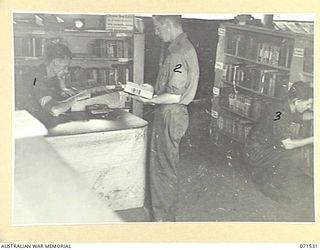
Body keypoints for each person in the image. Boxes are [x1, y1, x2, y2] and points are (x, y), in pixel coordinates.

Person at [135, 15, 199, 221]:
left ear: (168, 24)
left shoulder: (178, 54)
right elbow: (170, 86)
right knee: (164, 165)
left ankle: (163, 219)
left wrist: (150, 100)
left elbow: (174, 95)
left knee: (163, 168)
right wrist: (151, 89)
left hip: (170, 113)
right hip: (171, 113)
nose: (155, 31)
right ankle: (163, 214)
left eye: (156, 27)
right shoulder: (181, 48)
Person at [243, 81, 313, 203]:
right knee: (291, 156)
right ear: (297, 101)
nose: (309, 107)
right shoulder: (279, 113)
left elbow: (301, 117)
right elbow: (288, 144)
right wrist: (314, 139)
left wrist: (315, 115)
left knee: (286, 154)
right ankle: (269, 187)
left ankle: (261, 173)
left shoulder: (285, 106)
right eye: (308, 104)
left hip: (264, 146)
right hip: (255, 150)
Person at [15, 41, 87, 128]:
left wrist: (63, 88)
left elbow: (54, 98)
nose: (67, 71)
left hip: (41, 119)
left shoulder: (52, 76)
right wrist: (77, 97)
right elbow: (55, 110)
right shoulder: (35, 78)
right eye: (65, 66)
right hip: (26, 124)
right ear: (55, 62)